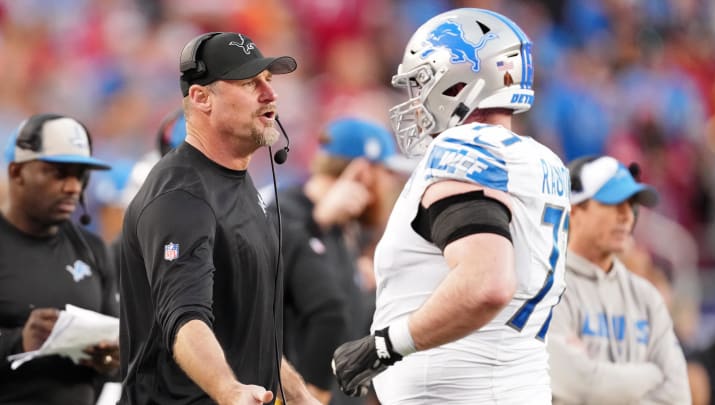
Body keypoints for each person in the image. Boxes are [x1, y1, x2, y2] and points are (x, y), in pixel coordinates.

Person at [332, 8, 571, 404]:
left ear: (458, 81)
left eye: (423, 81)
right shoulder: (541, 160)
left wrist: (385, 346)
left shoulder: (465, 146)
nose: (416, 98)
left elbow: (487, 283)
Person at [117, 32, 320, 405]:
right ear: (201, 97)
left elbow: (250, 330)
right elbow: (184, 319)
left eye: (268, 81)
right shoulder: (181, 195)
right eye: (248, 83)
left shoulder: (239, 185)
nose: (270, 94)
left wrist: (298, 393)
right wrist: (228, 390)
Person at [270, 117, 410, 405]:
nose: (390, 184)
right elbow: (259, 280)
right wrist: (317, 222)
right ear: (363, 171)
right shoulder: (285, 210)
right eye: (385, 171)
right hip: (296, 392)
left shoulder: (351, 230)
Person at [546, 155, 691, 404]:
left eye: (631, 204)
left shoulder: (646, 296)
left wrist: (598, 380)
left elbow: (677, 396)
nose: (627, 215)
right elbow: (575, 384)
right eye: (614, 203)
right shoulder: (548, 289)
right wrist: (651, 375)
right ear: (575, 209)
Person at [0, 113, 119, 404]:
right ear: (17, 172)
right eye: (58, 172)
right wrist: (19, 342)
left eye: (80, 175)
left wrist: (111, 359)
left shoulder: (92, 249)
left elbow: (119, 356)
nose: (73, 187)